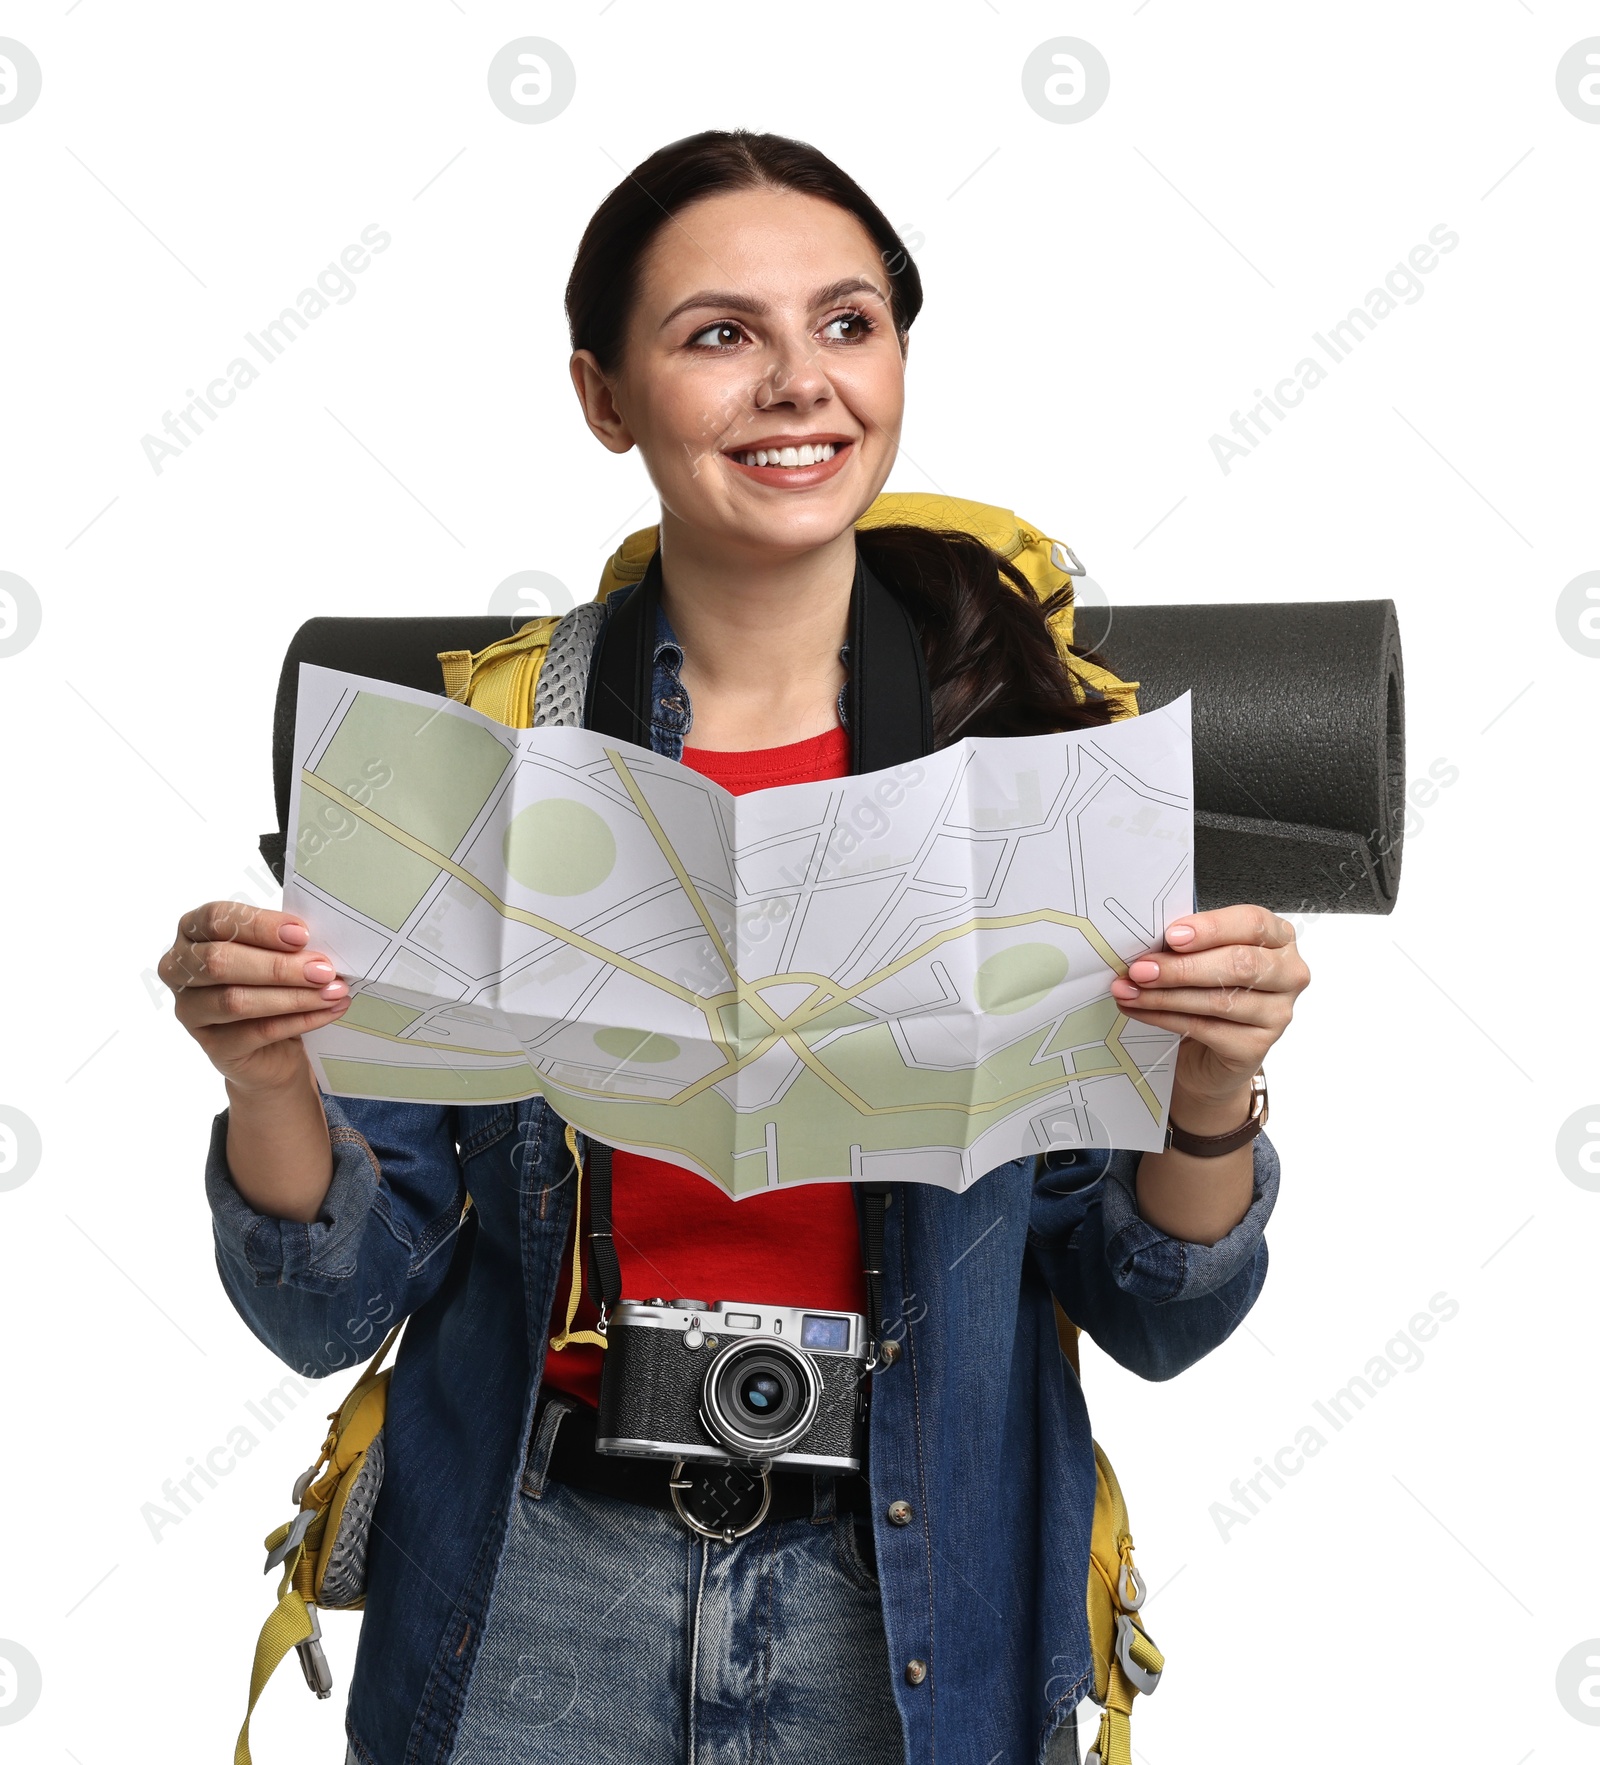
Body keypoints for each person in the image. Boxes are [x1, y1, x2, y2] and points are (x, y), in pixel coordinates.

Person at [160, 129, 1311, 1765]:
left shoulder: (1043, 762)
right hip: (536, 1582)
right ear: (604, 394)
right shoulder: (478, 752)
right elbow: (327, 1304)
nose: (799, 385)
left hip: (909, 1599)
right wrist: (268, 1075)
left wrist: (1213, 1090)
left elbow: (1156, 1311)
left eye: (848, 326)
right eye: (719, 336)